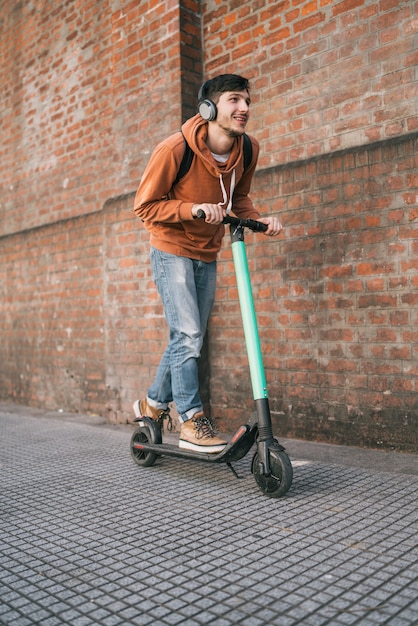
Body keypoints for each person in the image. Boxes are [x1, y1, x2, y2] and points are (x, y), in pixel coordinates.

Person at [133, 73, 283, 453]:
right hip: (170, 248)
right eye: (235, 100)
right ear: (209, 107)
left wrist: (260, 220)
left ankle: (151, 404)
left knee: (188, 335)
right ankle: (191, 420)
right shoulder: (174, 149)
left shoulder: (247, 150)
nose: (245, 108)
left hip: (207, 251)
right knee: (188, 336)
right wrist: (193, 208)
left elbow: (240, 198)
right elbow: (145, 206)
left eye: (248, 101)